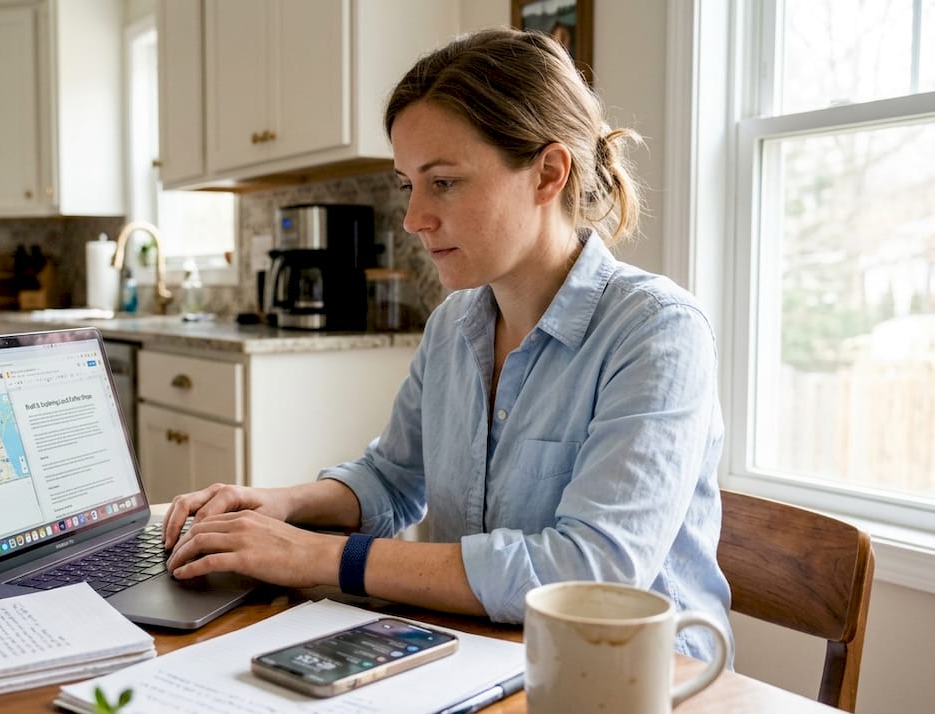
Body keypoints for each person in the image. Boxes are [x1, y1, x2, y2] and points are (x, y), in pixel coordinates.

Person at [163, 27, 732, 661]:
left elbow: (589, 572)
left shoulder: (657, 332)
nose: (414, 220)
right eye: (408, 185)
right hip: (477, 651)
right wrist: (281, 506)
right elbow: (391, 479)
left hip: (637, 678)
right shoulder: (454, 324)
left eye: (444, 182)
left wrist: (319, 556)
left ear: (548, 174)